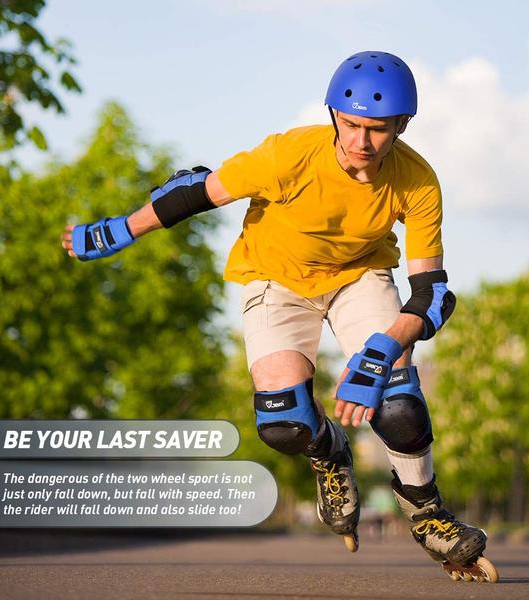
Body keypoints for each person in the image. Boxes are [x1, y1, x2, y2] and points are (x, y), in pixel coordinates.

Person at [62, 51, 497, 582]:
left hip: (359, 278)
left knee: (398, 403)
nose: (361, 142)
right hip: (275, 278)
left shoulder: (417, 181)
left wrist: (384, 350)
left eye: (378, 130)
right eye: (352, 124)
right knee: (282, 422)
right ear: (333, 113)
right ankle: (328, 451)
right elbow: (194, 192)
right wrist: (120, 230)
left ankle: (427, 512)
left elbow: (431, 293)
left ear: (403, 125)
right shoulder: (289, 155)